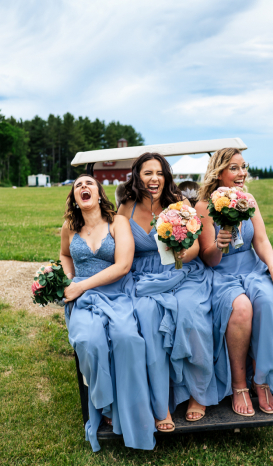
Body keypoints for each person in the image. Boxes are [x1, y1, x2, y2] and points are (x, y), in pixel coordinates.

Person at [117, 153, 218, 432]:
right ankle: (160, 404)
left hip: (181, 271)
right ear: (137, 176)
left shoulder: (180, 203)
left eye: (159, 173)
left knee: (190, 313)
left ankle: (199, 393)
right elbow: (115, 244)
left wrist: (183, 253)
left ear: (166, 176)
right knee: (146, 319)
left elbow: (196, 246)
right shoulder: (126, 207)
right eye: (148, 173)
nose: (154, 179)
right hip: (143, 277)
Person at [60, 174, 155, 451]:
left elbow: (123, 266)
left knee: (127, 339)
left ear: (100, 194)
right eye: (78, 185)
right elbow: (65, 255)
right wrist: (69, 280)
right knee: (90, 342)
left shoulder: (118, 223)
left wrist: (81, 286)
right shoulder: (69, 226)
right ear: (75, 199)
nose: (84, 187)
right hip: (82, 298)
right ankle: (107, 405)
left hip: (117, 294)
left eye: (89, 183)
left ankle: (130, 409)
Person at [196, 147, 273, 416]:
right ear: (219, 173)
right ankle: (239, 384)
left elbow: (260, 240)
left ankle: (261, 381)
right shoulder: (203, 207)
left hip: (252, 268)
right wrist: (218, 244)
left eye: (243, 167)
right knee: (241, 309)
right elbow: (208, 258)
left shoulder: (248, 200)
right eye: (235, 168)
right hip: (221, 273)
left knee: (265, 301)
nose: (242, 173)